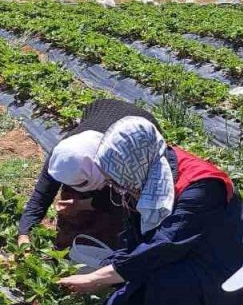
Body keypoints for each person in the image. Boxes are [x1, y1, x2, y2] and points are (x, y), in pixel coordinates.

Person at [55, 116, 243, 305]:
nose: (118, 188)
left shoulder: (202, 187)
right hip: (171, 259)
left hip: (212, 271)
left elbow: (165, 244)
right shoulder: (147, 173)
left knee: (168, 297)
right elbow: (136, 238)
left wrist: (97, 278)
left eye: (119, 182)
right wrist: (112, 267)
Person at [17, 98, 160, 249]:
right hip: (101, 114)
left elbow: (123, 200)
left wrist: (86, 204)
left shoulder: (124, 160)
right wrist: (24, 234)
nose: (74, 188)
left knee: (125, 213)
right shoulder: (63, 156)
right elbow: (41, 196)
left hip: (141, 127)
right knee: (78, 191)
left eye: (81, 183)